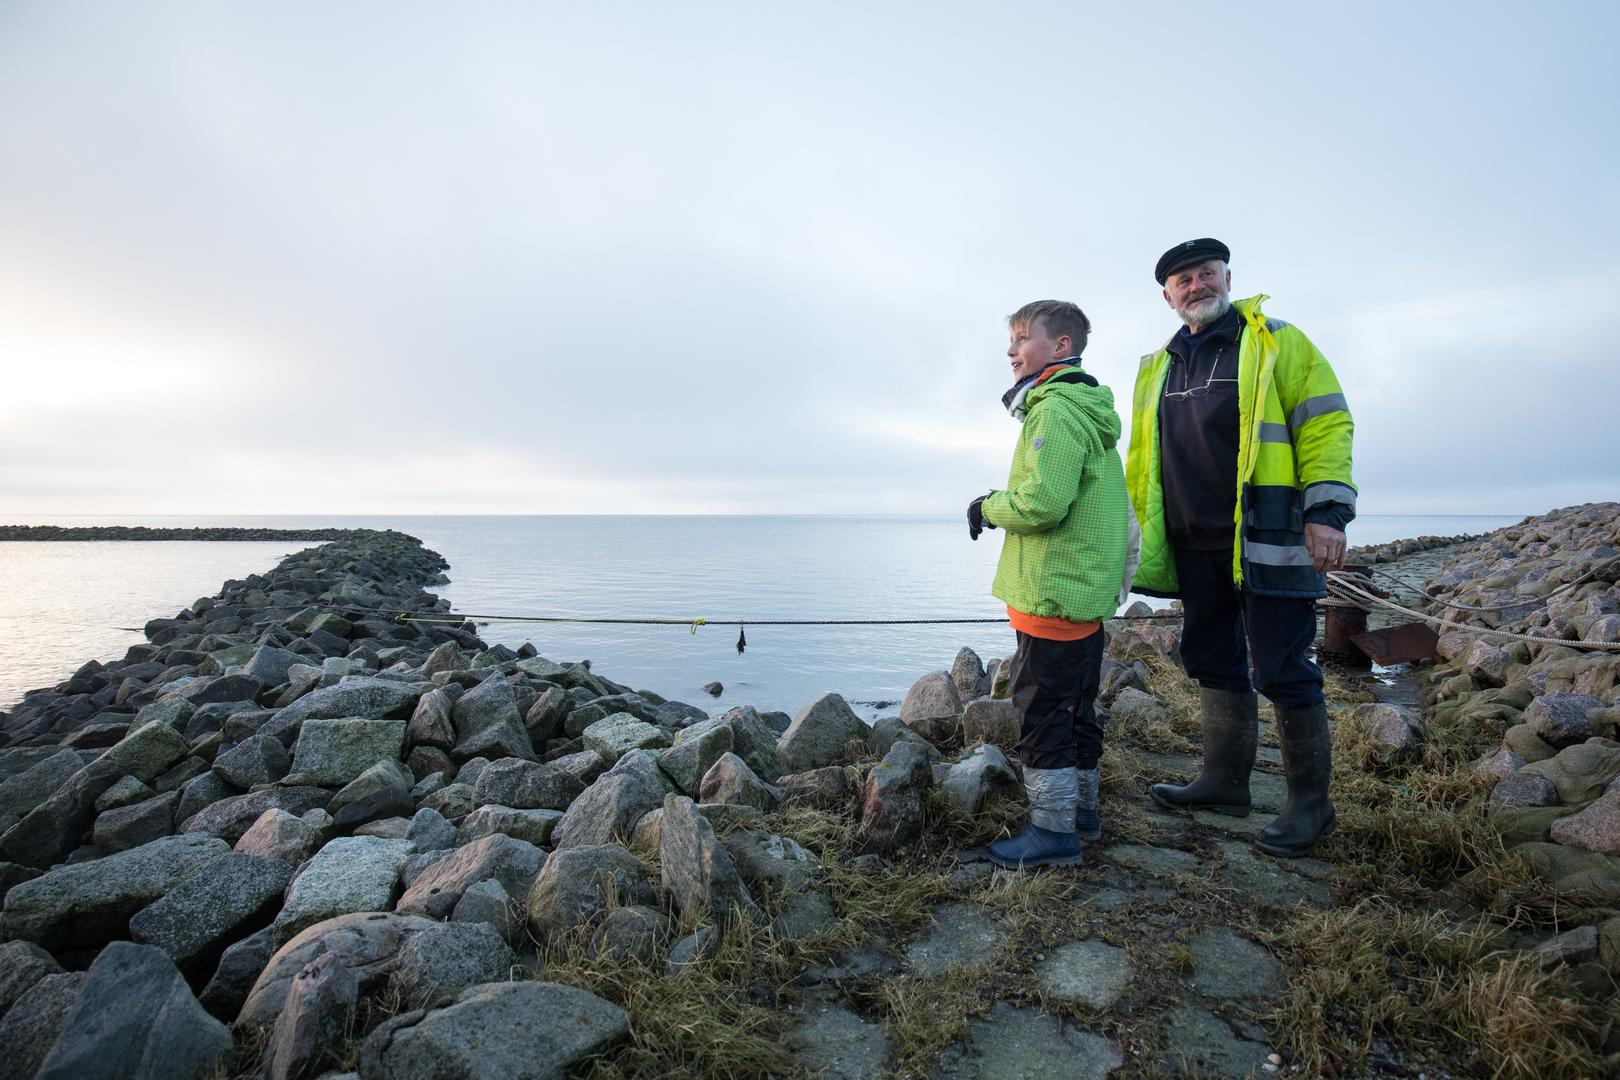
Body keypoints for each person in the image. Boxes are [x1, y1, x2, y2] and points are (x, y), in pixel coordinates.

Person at [1124, 238, 1356, 858]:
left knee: (1283, 665)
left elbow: (1327, 420)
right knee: (1210, 657)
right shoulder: (1159, 365)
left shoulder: (1277, 340)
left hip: (1271, 534)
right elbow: (1143, 460)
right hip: (1191, 540)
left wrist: (1328, 512)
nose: (1196, 285)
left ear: (1228, 276)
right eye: (1183, 280)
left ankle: (1312, 807)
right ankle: (1225, 783)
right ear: (1167, 296)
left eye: (1206, 274)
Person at [968, 299, 1134, 869]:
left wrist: (988, 507)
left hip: (1051, 595)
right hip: (1081, 595)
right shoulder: (1086, 410)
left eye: (1021, 340)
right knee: (1076, 709)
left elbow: (1042, 503)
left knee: (1041, 716)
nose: (1011, 352)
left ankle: (1052, 832)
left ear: (1061, 346)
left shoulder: (1055, 411)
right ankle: (1082, 814)